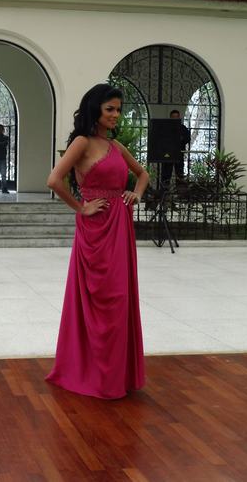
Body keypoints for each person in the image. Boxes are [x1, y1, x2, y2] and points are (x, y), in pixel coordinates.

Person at [45, 83, 149, 399]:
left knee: (119, 299)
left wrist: (136, 194)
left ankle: (116, 375)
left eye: (118, 109)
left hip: (120, 226)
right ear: (96, 110)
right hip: (95, 229)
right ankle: (93, 373)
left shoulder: (116, 147)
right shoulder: (82, 142)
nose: (116, 115)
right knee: (101, 299)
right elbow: (54, 180)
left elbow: (143, 174)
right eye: (110, 109)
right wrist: (81, 208)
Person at [160, 109, 191, 189]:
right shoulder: (165, 128)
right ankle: (164, 192)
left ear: (179, 117)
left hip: (179, 154)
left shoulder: (183, 128)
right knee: (166, 174)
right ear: (170, 117)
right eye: (173, 117)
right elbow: (161, 139)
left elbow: (187, 138)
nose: (175, 119)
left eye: (176, 117)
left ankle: (180, 192)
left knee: (179, 174)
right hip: (167, 155)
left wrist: (181, 139)